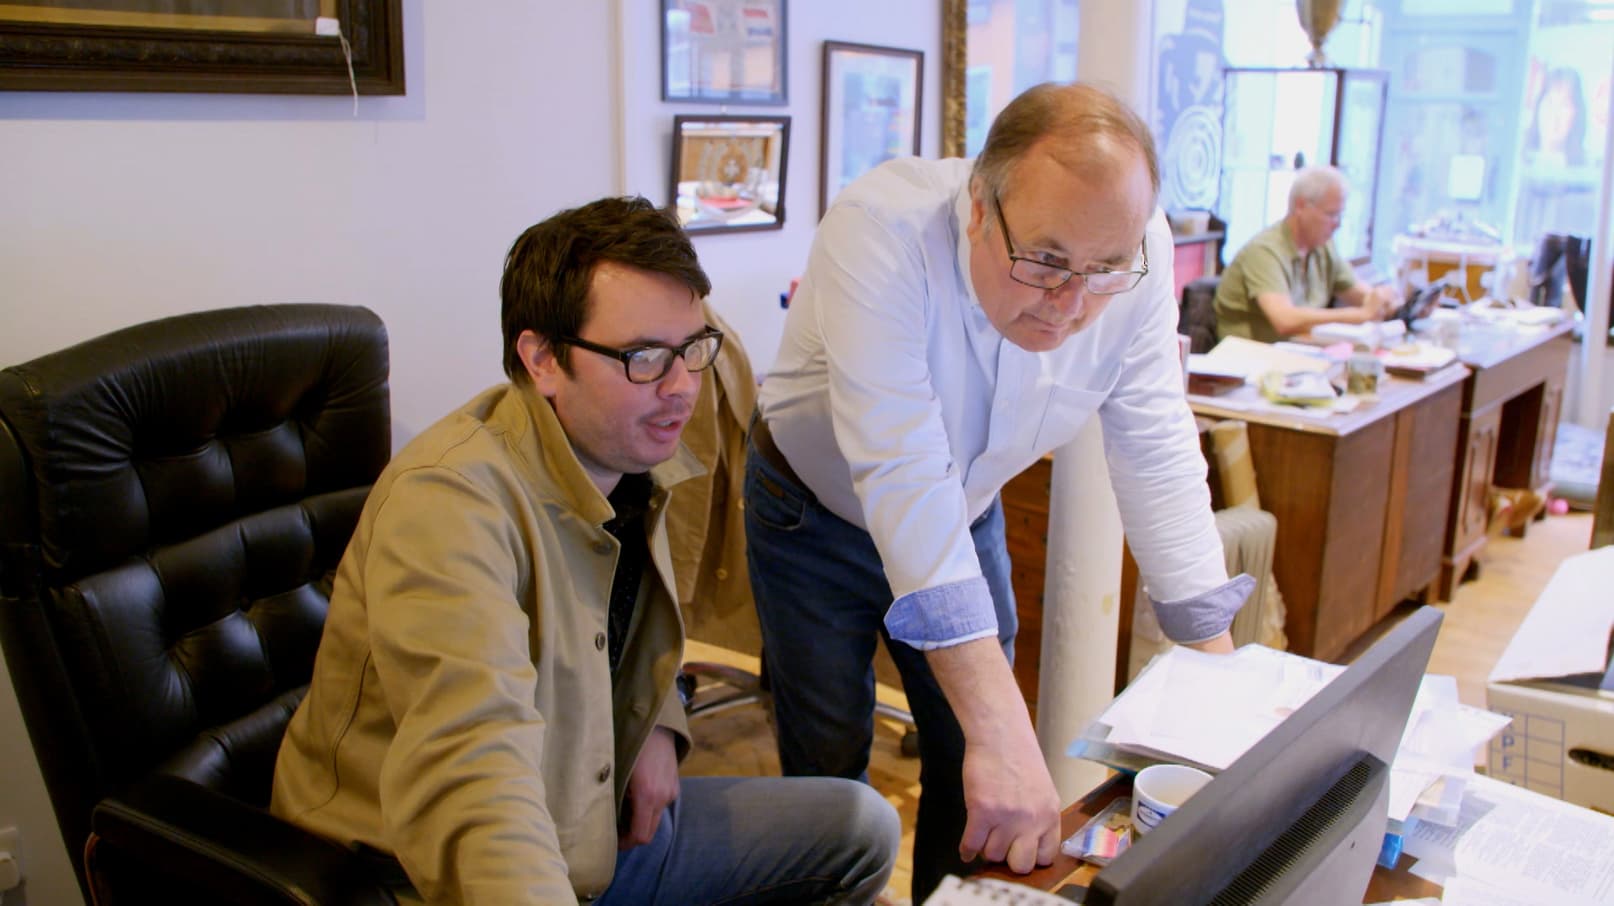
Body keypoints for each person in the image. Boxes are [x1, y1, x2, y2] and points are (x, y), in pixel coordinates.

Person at [271, 196, 900, 905]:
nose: (682, 389)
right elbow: (475, 775)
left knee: (861, 828)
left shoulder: (627, 451)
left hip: (590, 823)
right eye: (644, 357)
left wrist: (660, 721)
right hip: (423, 876)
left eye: (693, 348)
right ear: (542, 358)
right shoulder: (448, 507)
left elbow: (618, 630)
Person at [745, 82, 1253, 901]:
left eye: (1103, 271)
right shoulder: (879, 231)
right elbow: (904, 472)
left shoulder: (1134, 247)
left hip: (966, 504)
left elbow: (1156, 443)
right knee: (830, 748)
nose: (1070, 305)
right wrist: (1006, 732)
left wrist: (1216, 675)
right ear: (979, 205)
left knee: (969, 755)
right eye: (1045, 261)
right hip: (815, 512)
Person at [1214, 165, 1398, 343]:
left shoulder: (1323, 247)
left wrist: (1383, 301)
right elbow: (1284, 320)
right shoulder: (1265, 251)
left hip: (1298, 352)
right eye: (1331, 215)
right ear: (1301, 206)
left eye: (1340, 215)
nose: (1338, 224)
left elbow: (1360, 294)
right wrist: (1359, 315)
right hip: (1252, 356)